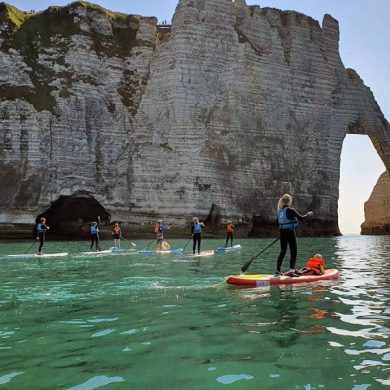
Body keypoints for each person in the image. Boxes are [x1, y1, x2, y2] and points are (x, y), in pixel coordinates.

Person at [275, 194, 313, 277]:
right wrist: (308, 214)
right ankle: (292, 271)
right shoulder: (290, 210)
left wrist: (283, 231)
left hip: (282, 233)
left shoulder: (279, 212)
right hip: (290, 233)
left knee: (283, 251)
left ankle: (278, 270)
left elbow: (277, 223)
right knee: (293, 251)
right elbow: (301, 218)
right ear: (290, 201)